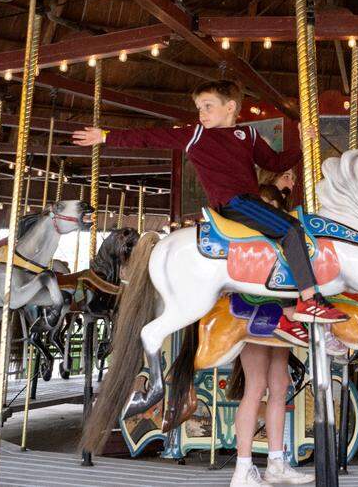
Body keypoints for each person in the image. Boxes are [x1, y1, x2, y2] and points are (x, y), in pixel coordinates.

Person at [73, 80, 339, 487]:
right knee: (291, 231)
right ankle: (309, 297)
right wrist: (107, 136)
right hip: (234, 204)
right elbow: (151, 137)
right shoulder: (197, 134)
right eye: (200, 106)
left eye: (209, 106)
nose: (202, 113)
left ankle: (275, 461)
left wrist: (303, 144)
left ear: (232, 107)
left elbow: (274, 161)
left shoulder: (248, 135)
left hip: (250, 202)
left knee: (285, 239)